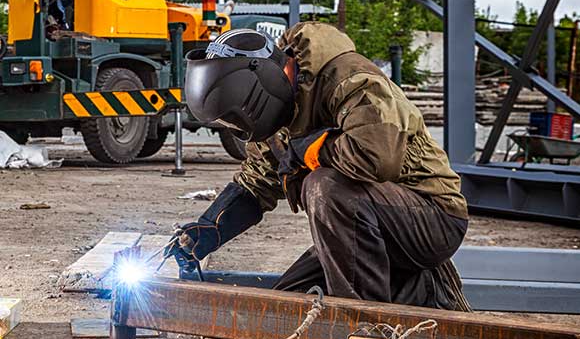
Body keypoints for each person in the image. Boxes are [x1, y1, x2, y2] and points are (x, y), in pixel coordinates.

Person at [179, 22, 470, 311]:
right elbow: (257, 183)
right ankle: (418, 290)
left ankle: (368, 329)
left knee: (324, 187)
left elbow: (376, 156)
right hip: (370, 229)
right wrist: (206, 230)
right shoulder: (281, 112)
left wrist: (313, 150)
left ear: (257, 86)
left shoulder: (350, 78)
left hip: (433, 219)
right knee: (285, 309)